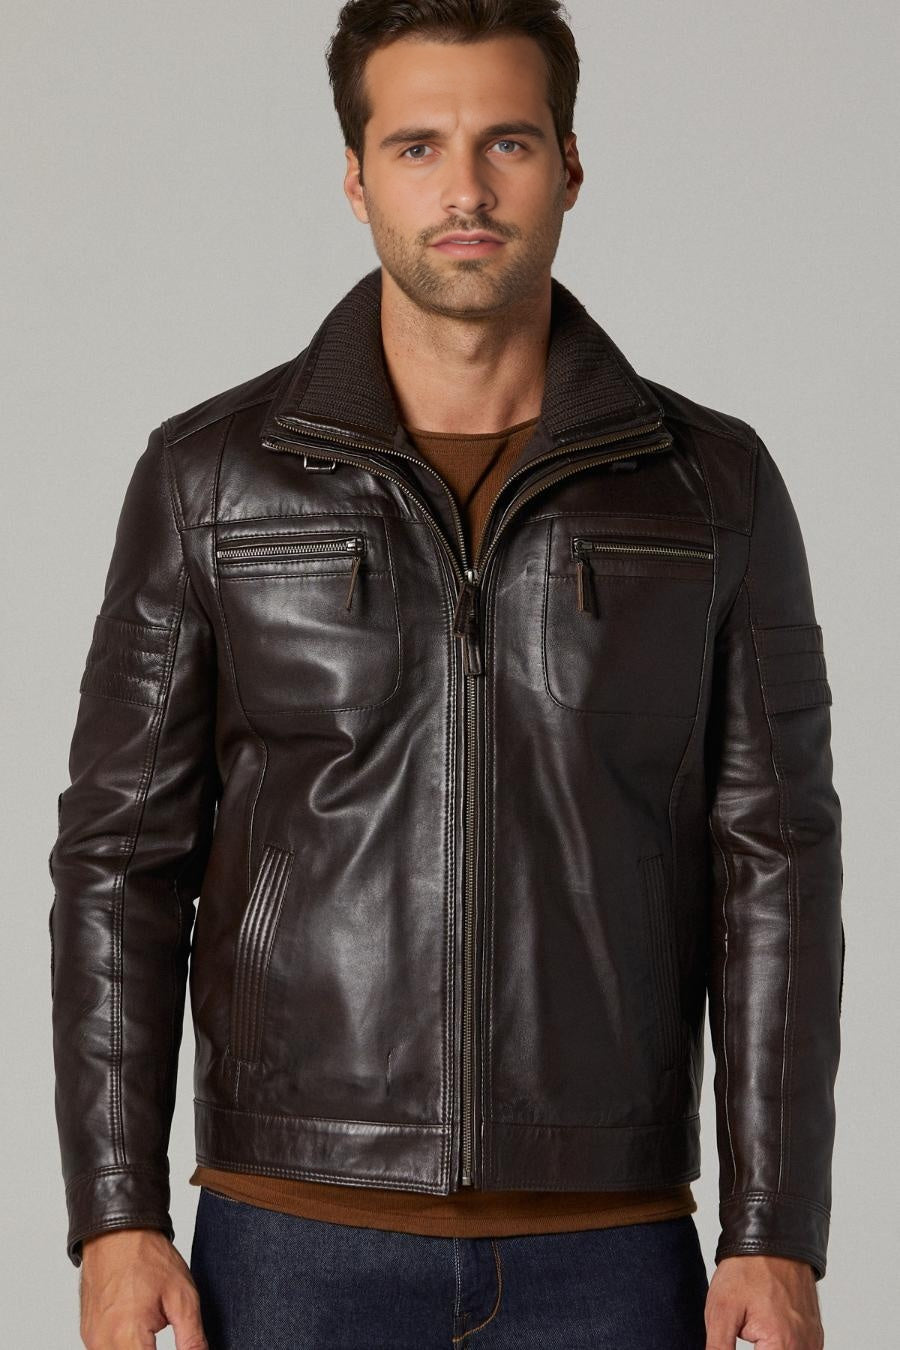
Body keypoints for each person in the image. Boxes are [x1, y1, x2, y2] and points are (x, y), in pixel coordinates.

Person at [48, 1, 843, 1346]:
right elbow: (120, 860)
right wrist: (116, 1214)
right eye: (417, 147)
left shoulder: (713, 489)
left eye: (507, 142)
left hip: (610, 1250)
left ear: (570, 166)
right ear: (357, 179)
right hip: (290, 1241)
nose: (464, 189)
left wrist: (775, 1229)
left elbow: (779, 869)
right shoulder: (210, 482)